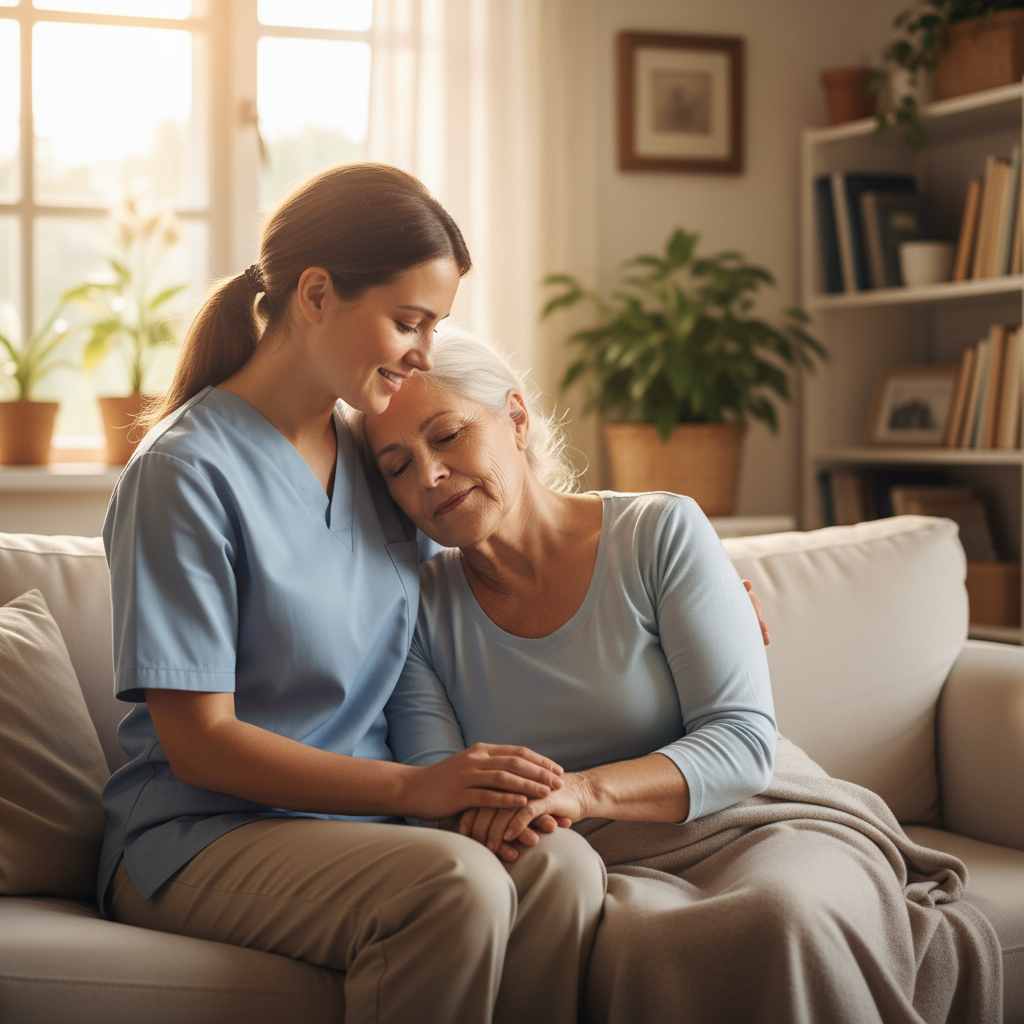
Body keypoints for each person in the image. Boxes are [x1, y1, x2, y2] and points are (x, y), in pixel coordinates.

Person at [353, 328, 1002, 1024]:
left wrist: (579, 790)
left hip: (756, 823)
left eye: (447, 435)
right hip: (598, 866)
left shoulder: (658, 532)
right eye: (396, 465)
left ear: (515, 418)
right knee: (646, 946)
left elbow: (742, 742)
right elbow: (445, 787)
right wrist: (517, 808)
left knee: (782, 915)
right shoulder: (416, 607)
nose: (428, 475)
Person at [97, 165, 606, 1024]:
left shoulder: (374, 450)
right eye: (408, 321)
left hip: (363, 827)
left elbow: (478, 566)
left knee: (563, 867)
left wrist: (678, 569)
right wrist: (418, 791)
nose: (424, 353)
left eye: (434, 327)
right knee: (456, 886)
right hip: (201, 836)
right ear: (318, 294)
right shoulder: (184, 474)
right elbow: (200, 746)